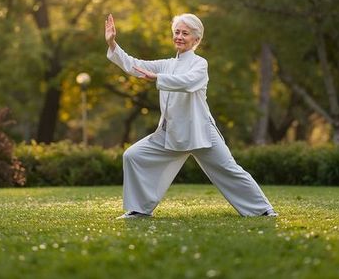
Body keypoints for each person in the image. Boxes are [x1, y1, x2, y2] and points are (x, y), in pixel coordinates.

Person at [105, 13, 277, 219]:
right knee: (133, 155)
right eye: (176, 32)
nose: (179, 36)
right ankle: (139, 210)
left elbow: (187, 82)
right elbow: (134, 64)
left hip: (200, 133)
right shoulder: (166, 64)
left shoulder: (200, 64)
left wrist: (158, 78)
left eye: (185, 33)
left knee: (229, 169)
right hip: (171, 134)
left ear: (196, 39)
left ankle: (263, 210)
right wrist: (113, 43)